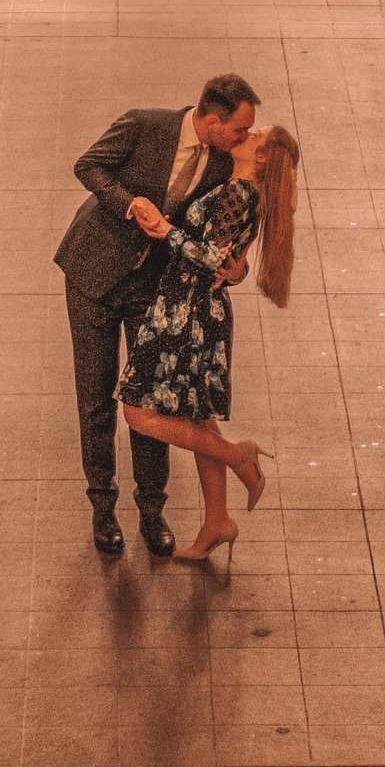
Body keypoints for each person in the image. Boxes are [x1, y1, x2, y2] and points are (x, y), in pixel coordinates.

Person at [56, 74, 259, 557]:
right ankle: (103, 506)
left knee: (152, 399)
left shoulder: (225, 163)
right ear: (212, 120)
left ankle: (152, 508)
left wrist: (237, 269)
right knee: (95, 396)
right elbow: (88, 166)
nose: (245, 138)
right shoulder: (143, 125)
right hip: (93, 273)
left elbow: (228, 231)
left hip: (158, 290)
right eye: (238, 129)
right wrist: (129, 205)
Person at [120, 123, 299, 562]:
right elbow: (225, 259)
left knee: (137, 411)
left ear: (261, 159)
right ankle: (217, 520)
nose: (250, 131)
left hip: (186, 313)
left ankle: (240, 455)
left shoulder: (240, 194)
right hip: (199, 308)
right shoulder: (242, 190)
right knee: (198, 418)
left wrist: (167, 230)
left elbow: (212, 258)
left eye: (258, 134)